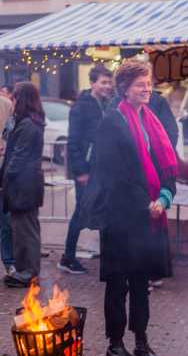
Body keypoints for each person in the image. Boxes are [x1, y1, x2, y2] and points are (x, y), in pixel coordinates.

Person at [93, 60, 177, 356]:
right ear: (125, 88)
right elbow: (107, 174)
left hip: (148, 219)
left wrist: (164, 198)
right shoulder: (112, 122)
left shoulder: (152, 120)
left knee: (141, 283)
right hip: (120, 218)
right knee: (118, 283)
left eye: (148, 82)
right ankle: (115, 344)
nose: (147, 88)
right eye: (140, 84)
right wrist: (143, 205)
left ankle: (141, 341)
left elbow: (166, 168)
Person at [59, 65, 113, 275]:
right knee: (81, 212)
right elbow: (73, 141)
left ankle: (108, 254)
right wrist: (80, 171)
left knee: (105, 210)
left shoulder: (107, 104)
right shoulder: (81, 106)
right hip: (87, 170)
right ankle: (68, 257)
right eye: (103, 82)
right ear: (93, 83)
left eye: (109, 82)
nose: (107, 86)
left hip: (104, 169)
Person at [1, 82, 45, 288]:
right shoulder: (29, 121)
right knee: (23, 227)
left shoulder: (27, 124)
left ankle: (28, 272)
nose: (12, 100)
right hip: (26, 184)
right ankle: (25, 270)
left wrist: (6, 178)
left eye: (15, 97)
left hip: (23, 185)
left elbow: (18, 156)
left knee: (25, 229)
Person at [0, 93, 15, 276]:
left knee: (5, 219)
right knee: (5, 220)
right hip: (4, 166)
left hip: (3, 167)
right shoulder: (6, 103)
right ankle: (9, 262)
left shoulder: (6, 103)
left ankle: (10, 261)